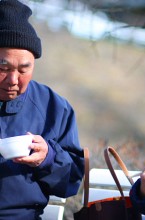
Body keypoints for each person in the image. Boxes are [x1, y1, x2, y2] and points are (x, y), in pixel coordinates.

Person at [0, 0, 84, 219]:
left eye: (23, 69)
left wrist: (48, 158)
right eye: (3, 68)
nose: (13, 79)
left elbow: (72, 182)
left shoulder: (53, 108)